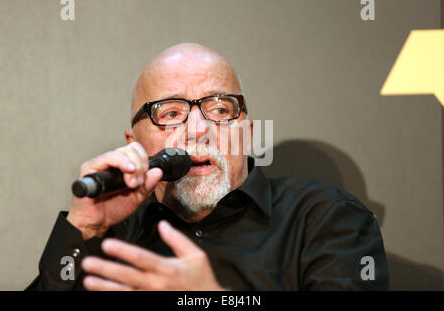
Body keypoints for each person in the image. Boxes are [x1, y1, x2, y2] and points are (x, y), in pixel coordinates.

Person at [26, 43, 389, 291]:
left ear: (246, 130)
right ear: (134, 144)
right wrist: (83, 228)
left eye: (220, 109)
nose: (199, 130)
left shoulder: (324, 219)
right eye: (170, 113)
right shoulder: (109, 233)